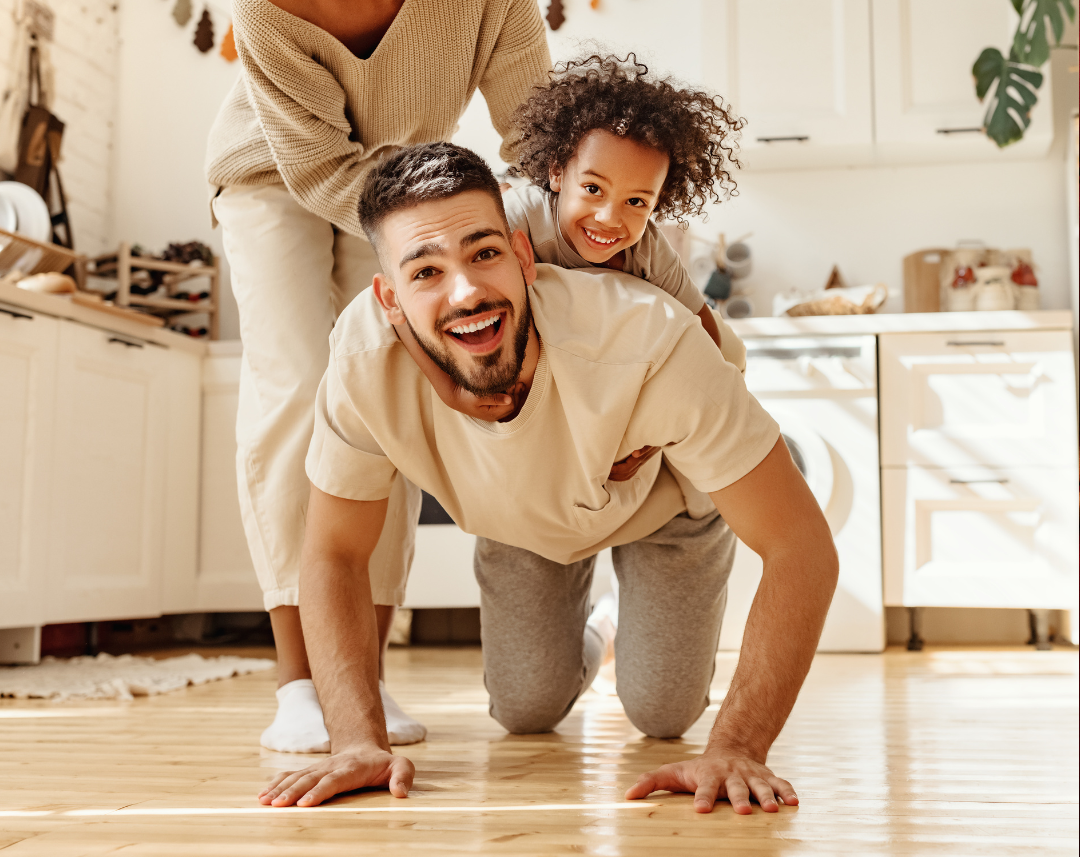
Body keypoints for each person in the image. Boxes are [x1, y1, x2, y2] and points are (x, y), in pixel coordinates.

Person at [258, 144, 839, 813]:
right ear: (389, 298)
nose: (467, 292)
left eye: (484, 254)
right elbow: (333, 552)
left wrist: (739, 745)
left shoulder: (650, 341)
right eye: (425, 272)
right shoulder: (362, 365)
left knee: (661, 710)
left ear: (523, 256)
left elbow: (803, 549)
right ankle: (604, 627)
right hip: (521, 519)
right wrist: (356, 741)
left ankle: (630, 613)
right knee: (524, 708)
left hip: (660, 507)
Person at [204, 0, 550, 753]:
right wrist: (431, 229)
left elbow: (533, 130)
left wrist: (585, 218)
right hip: (274, 178)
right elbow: (314, 167)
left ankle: (365, 667)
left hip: (397, 189)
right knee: (294, 386)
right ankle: (298, 685)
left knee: (380, 398)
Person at [404, 53, 749, 432]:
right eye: (592, 188)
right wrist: (450, 391)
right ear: (556, 172)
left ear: (658, 202)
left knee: (733, 352)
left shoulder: (647, 248)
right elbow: (411, 303)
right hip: (534, 362)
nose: (609, 218)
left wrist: (663, 426)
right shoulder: (516, 219)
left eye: (636, 202)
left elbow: (704, 333)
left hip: (606, 369)